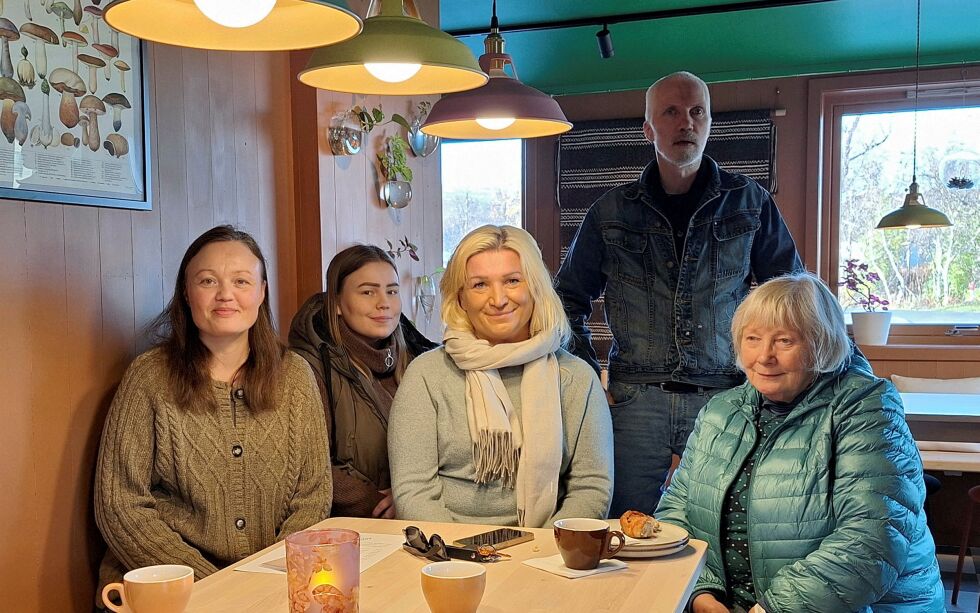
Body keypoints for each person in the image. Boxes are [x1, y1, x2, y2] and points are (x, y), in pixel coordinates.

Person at [555, 70, 803, 515]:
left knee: (721, 526)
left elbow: (791, 297)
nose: (685, 122)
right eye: (671, 112)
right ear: (649, 128)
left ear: (709, 123)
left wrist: (768, 372)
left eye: (697, 112)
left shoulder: (751, 202)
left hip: (726, 396)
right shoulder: (610, 212)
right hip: (634, 402)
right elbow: (566, 300)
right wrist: (589, 375)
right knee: (623, 529)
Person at [656, 273, 944, 613]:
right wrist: (700, 593)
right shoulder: (720, 411)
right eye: (752, 338)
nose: (764, 356)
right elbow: (675, 513)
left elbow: (870, 541)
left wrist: (772, 609)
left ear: (822, 344)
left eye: (784, 341)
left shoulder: (868, 406)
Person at [94, 226, 331, 602]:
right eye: (208, 281)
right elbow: (120, 505)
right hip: (169, 587)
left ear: (262, 291)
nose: (225, 295)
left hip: (273, 585)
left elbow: (314, 494)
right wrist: (218, 587)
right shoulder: (149, 377)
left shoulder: (295, 375)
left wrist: (269, 578)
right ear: (186, 293)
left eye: (241, 280)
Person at [388, 225, 613, 527]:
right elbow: (413, 493)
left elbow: (591, 488)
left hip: (547, 556)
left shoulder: (577, 379)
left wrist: (539, 554)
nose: (498, 299)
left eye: (512, 281)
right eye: (480, 285)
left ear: (535, 288)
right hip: (447, 556)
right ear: (461, 299)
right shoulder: (426, 376)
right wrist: (460, 558)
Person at [289, 245, 436, 519]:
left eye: (392, 291)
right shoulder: (310, 369)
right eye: (368, 292)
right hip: (353, 529)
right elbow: (307, 466)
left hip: (424, 516)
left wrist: (409, 495)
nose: (384, 302)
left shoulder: (422, 361)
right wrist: (373, 502)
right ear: (336, 303)